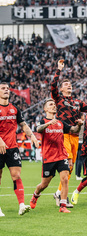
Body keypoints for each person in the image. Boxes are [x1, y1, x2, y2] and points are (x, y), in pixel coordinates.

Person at [51, 60, 87, 207]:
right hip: (63, 134)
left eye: (70, 84)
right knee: (68, 165)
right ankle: (62, 196)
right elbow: (52, 86)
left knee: (70, 167)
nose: (69, 85)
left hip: (75, 137)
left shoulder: (78, 102)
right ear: (61, 89)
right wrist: (58, 70)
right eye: (65, 84)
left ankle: (58, 193)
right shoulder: (59, 99)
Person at [29, 99, 82, 213]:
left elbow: (73, 130)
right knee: (44, 184)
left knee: (64, 179)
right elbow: (38, 129)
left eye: (54, 104)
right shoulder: (42, 121)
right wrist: (48, 123)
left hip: (62, 155)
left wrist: (79, 125)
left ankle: (62, 206)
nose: (53, 106)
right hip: (49, 157)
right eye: (50, 105)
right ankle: (35, 195)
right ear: (45, 109)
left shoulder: (60, 123)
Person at [0, 82, 38, 216]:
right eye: (3, 88)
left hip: (12, 148)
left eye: (7, 89)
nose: (6, 90)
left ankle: (21, 205)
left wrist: (32, 136)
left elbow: (23, 125)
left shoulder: (14, 109)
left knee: (16, 175)